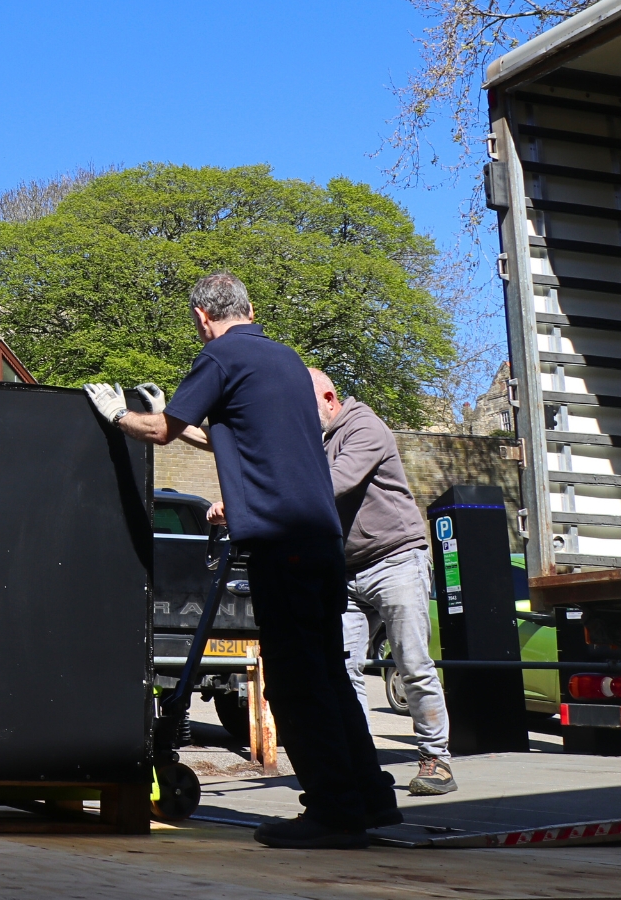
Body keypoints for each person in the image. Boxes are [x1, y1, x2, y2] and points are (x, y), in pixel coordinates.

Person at [85, 271, 397, 849]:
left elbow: (156, 432)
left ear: (203, 317)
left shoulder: (220, 357)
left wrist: (118, 416)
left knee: (295, 682)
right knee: (330, 675)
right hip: (324, 546)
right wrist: (183, 424)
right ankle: (371, 800)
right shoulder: (284, 361)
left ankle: (333, 811)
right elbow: (238, 436)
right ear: (249, 308)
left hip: (282, 545)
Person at [309, 367, 455, 796]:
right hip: (347, 569)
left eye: (303, 407)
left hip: (395, 559)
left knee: (411, 662)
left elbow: (335, 483)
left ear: (329, 398)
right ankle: (361, 763)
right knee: (343, 668)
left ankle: (436, 760)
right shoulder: (315, 439)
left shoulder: (364, 426)